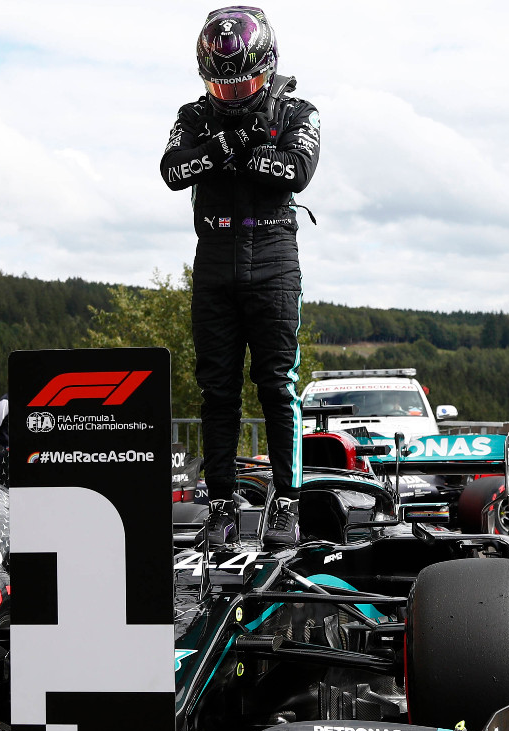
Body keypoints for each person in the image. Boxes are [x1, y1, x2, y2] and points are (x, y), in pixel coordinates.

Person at [160, 6, 321, 547]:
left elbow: (296, 171)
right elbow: (170, 171)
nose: (231, 95)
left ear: (267, 65)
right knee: (217, 392)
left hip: (274, 259)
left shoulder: (300, 110)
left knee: (278, 387)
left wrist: (245, 153)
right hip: (214, 260)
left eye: (243, 84)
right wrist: (218, 150)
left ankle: (286, 503)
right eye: (221, 87)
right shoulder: (193, 115)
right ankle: (221, 505)